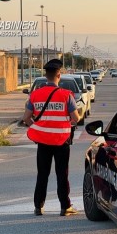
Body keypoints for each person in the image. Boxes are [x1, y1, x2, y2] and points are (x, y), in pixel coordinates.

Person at [22, 59, 80, 217]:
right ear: (58, 75)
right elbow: (76, 118)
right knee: (62, 174)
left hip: (42, 142)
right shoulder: (66, 95)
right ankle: (65, 207)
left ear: (46, 75)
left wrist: (37, 128)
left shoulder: (35, 95)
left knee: (42, 174)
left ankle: (38, 207)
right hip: (62, 141)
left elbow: (26, 118)